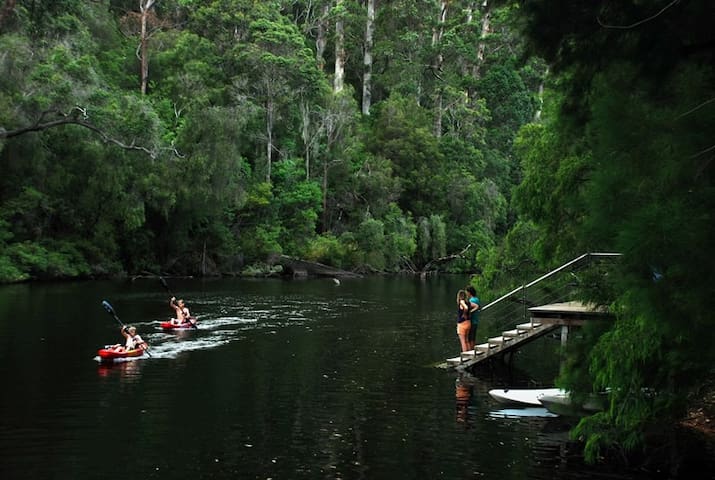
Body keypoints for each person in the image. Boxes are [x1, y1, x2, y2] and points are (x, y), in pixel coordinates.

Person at [466, 285, 481, 351]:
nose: (466, 294)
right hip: (476, 321)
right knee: (473, 338)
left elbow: (469, 310)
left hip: (471, 321)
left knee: (470, 338)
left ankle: (471, 351)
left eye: (467, 292)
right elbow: (479, 307)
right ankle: (473, 350)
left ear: (469, 292)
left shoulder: (471, 300)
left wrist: (469, 312)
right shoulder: (477, 299)